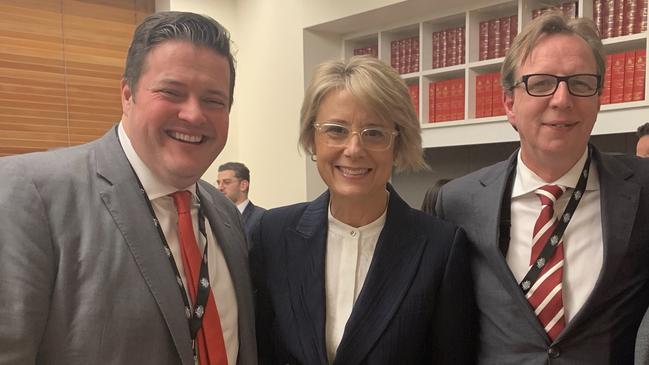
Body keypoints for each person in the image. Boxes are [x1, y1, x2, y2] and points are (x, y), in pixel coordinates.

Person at [0, 12, 257, 365]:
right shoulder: (29, 196)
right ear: (127, 95)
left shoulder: (226, 215)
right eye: (171, 92)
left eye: (214, 100)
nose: (194, 115)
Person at [435, 12, 649, 364]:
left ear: (598, 99)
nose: (562, 99)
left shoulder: (643, 189)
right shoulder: (458, 202)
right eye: (541, 82)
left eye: (580, 83)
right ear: (509, 104)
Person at [250, 55, 476, 364]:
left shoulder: (440, 247)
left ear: (398, 144)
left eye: (374, 133)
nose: (354, 149)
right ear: (313, 139)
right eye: (336, 130)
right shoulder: (272, 233)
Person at [217, 162, 266, 244]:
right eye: (218, 183)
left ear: (243, 185)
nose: (220, 188)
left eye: (227, 182)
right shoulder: (216, 218)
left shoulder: (261, 218)